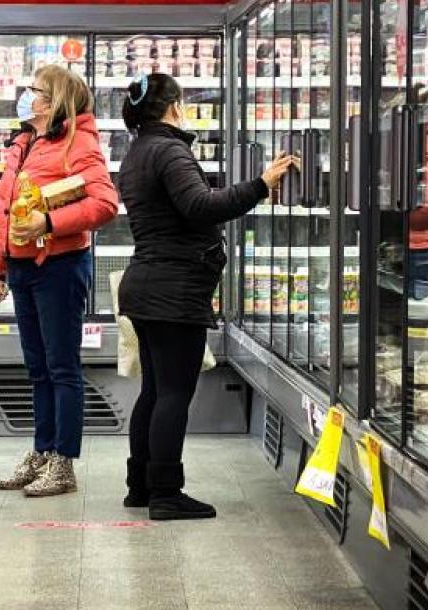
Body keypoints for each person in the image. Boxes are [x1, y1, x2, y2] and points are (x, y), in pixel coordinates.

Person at [117, 73, 298, 520]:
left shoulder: (137, 151)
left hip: (146, 284)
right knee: (174, 392)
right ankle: (165, 493)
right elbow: (201, 206)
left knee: (155, 391)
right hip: (173, 288)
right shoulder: (170, 149)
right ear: (174, 106)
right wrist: (260, 184)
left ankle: (140, 486)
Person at [0, 64, 118, 497]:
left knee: (62, 368)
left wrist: (50, 220)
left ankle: (63, 462)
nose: (27, 96)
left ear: (55, 100)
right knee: (38, 368)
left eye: (34, 90)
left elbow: (104, 204)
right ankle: (42, 452)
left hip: (59, 266)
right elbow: (7, 211)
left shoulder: (78, 144)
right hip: (22, 268)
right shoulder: (25, 142)